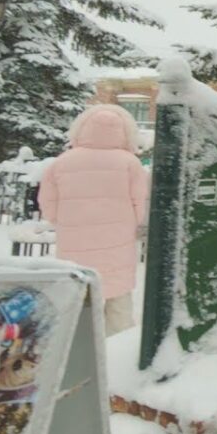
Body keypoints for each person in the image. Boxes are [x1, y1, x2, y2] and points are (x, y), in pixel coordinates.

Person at [40, 104, 149, 336]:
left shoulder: (62, 162)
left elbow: (48, 205)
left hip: (74, 243)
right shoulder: (130, 163)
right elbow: (141, 204)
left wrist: (66, 222)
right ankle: (118, 351)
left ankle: (78, 350)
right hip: (117, 244)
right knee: (118, 303)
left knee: (78, 299)